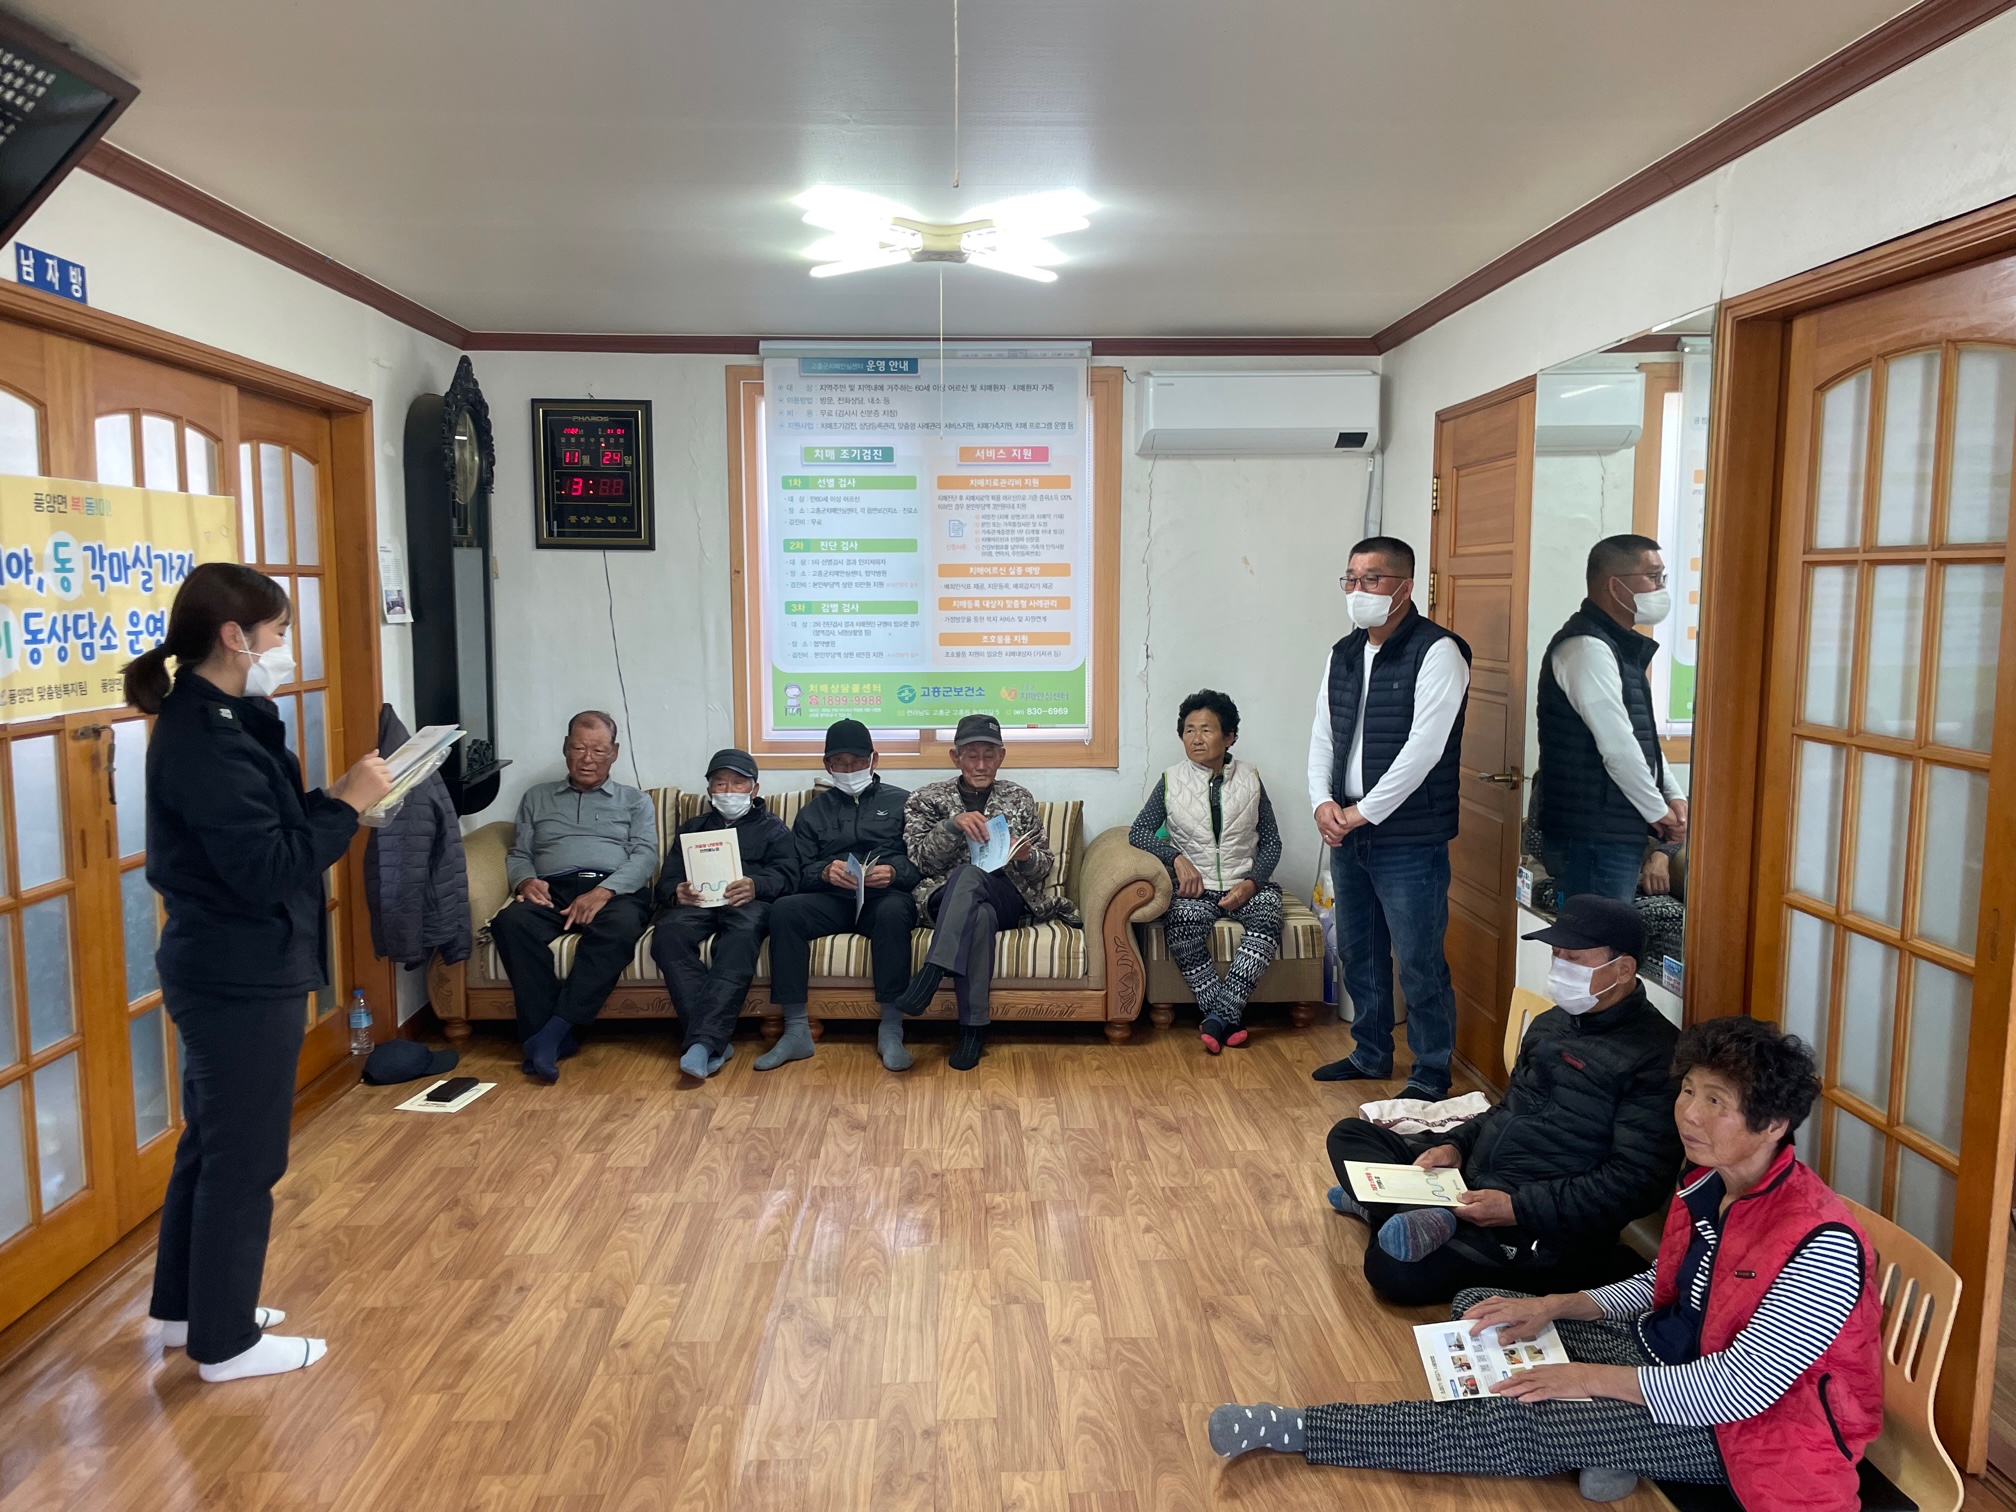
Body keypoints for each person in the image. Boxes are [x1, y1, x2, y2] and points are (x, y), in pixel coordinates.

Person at [1213, 1017, 1881, 1512]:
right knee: (1485, 1310)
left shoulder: (1821, 1243)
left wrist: (1584, 1379)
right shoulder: (1708, 1181)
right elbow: (1664, 1284)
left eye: (1716, 1103)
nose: (1690, 1115)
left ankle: (1299, 1429)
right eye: (1689, 1091)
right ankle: (1607, 1446)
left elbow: (1740, 1389)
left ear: (1773, 1125)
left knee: (1528, 1416)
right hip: (1666, 1354)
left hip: (1749, 1428)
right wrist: (1552, 1307)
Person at [130, 562, 394, 1382]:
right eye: (278, 634)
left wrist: (337, 797)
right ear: (234, 637)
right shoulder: (204, 737)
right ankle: (226, 1343)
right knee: (245, 1160)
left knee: (211, 1143)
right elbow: (266, 868)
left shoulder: (222, 717)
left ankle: (186, 1312)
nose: (284, 649)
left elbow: (272, 827)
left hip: (232, 961)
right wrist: (346, 806)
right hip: (238, 971)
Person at [1324, 894, 1680, 1305]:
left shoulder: (1658, 1056)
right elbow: (1507, 1108)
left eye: (1574, 959)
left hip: (1541, 1222)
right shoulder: (1552, 1023)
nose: (1559, 967)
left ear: (1623, 969)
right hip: (1473, 1177)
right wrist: (1455, 1146)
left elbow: (1634, 1185)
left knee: (1393, 1272)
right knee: (1349, 1135)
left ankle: (1386, 1207)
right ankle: (1409, 1210)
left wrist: (1517, 1208)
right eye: (1556, 955)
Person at [1307, 535, 1472, 1099]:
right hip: (1347, 830)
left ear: (1405, 586)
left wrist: (1362, 813)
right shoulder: (1343, 653)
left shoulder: (1439, 652)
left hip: (1408, 837)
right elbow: (1324, 734)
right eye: (1351, 579)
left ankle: (1430, 1070)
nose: (1358, 590)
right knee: (1359, 949)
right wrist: (1322, 802)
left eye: (1372, 579)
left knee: (1419, 959)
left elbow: (1423, 751)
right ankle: (1371, 1051)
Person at [892, 713, 1073, 1070]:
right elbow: (922, 862)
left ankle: (933, 972)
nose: (980, 765)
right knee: (978, 912)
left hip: (1006, 894)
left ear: (1001, 757)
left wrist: (1025, 856)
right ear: (955, 758)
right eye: (971, 756)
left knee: (977, 888)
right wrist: (952, 826)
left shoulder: (1018, 798)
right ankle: (973, 1031)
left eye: (989, 756)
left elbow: (1042, 868)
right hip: (943, 896)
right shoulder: (926, 799)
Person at [491, 711, 657, 1083]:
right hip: (552, 889)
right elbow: (520, 853)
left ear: (614, 753)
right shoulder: (537, 797)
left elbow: (646, 856)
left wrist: (603, 891)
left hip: (613, 890)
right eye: (579, 748)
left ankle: (552, 1033)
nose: (587, 759)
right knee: (510, 922)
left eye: (598, 750)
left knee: (620, 928)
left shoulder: (635, 801)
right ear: (566, 748)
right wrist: (524, 881)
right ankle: (548, 1036)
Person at [1129, 689, 1284, 1053]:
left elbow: (1272, 842)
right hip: (1195, 889)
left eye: (1206, 730)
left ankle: (1217, 1018)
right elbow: (1138, 832)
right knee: (1181, 925)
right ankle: (1225, 1017)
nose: (1196, 739)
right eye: (1189, 730)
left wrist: (1252, 883)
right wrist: (1175, 858)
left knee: (1268, 917)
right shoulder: (1171, 781)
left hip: (1244, 882)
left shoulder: (1250, 778)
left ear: (1229, 737)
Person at [1536, 534, 1688, 903]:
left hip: (1612, 829)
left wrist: (1671, 793)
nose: (1661, 588)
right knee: (1594, 936)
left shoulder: (1619, 646)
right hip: (1591, 834)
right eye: (1652, 576)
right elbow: (1618, 747)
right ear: (1615, 586)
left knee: (1607, 935)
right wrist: (1658, 812)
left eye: (1662, 577)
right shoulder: (1586, 647)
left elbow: (1640, 739)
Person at [762, 719, 921, 1071]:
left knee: (895, 913)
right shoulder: (812, 812)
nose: (849, 770)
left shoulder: (904, 802)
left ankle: (891, 1029)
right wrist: (824, 872)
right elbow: (796, 872)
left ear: (874, 760)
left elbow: (920, 862)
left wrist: (895, 872)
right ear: (827, 765)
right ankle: (795, 1029)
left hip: (883, 898)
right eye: (840, 764)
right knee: (784, 910)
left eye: (858, 762)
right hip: (832, 899)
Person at [649, 748, 799, 1081]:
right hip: (697, 906)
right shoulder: (693, 829)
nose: (729, 791)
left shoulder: (774, 829)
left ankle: (703, 1044)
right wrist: (676, 892)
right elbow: (666, 882)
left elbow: (789, 876)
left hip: (746, 905)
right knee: (667, 935)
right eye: (720, 783)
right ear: (709, 790)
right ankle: (711, 1041)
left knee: (740, 939)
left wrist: (756, 885)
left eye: (738, 783)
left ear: (754, 789)